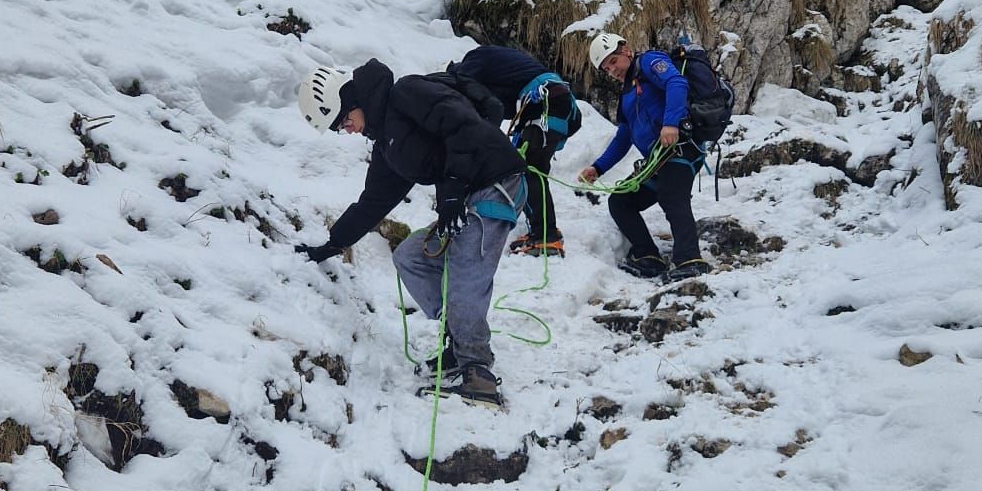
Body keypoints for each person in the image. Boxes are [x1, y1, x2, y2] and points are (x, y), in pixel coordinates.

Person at [295, 58, 528, 407]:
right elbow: (374, 201)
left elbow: (463, 127)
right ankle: (460, 342)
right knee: (410, 256)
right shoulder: (388, 145)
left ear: (349, 98)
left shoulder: (407, 93)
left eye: (343, 120)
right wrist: (332, 244)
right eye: (340, 129)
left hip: (497, 182)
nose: (348, 130)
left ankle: (478, 373)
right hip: (466, 194)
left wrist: (453, 187)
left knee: (465, 269)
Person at [577, 32, 709, 280]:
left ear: (625, 50)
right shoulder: (626, 94)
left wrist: (670, 123)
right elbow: (624, 135)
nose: (612, 70)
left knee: (672, 196)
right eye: (606, 68)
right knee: (621, 201)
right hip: (658, 159)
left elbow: (676, 83)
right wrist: (598, 168)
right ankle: (648, 256)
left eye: (613, 61)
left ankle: (689, 259)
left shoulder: (649, 61)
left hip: (680, 147)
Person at [445, 44, 582, 255]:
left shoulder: (473, 60)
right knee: (529, 169)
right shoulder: (500, 76)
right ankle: (544, 230)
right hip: (554, 103)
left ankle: (546, 236)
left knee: (527, 171)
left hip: (544, 102)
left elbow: (468, 96)